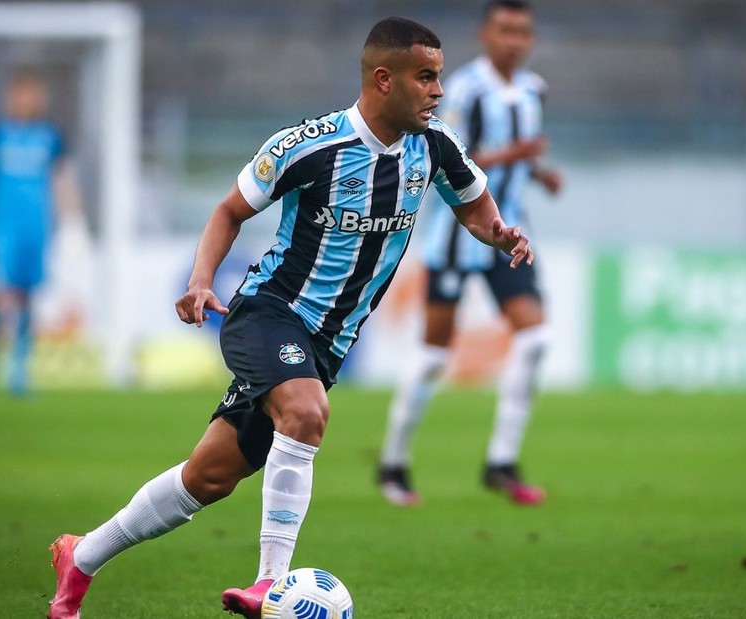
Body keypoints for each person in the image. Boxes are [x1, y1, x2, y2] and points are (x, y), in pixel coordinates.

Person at [47, 16, 533, 619]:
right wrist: (202, 280)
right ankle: (270, 585)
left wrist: (499, 234)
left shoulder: (434, 146)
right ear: (384, 80)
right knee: (305, 412)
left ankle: (82, 557)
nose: (439, 90)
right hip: (269, 311)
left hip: (329, 342)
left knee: (209, 477)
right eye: (426, 77)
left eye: (440, 77)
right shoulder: (308, 145)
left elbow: (476, 209)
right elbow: (229, 211)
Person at [378, 0, 563, 507]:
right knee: (435, 354)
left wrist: (539, 174)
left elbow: (517, 156)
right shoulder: (462, 88)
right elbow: (450, 155)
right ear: (486, 34)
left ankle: (501, 462)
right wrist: (516, 156)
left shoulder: (533, 89)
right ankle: (393, 462)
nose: (514, 40)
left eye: (522, 31)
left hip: (509, 236)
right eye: (504, 30)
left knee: (536, 338)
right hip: (461, 237)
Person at [0, 72, 84, 395]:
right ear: (11, 97)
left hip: (36, 228)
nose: (27, 101)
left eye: (33, 94)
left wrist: (72, 221)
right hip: (3, 227)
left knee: (27, 296)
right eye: (21, 94)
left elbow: (63, 179)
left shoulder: (50, 136)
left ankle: (19, 371)